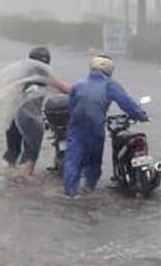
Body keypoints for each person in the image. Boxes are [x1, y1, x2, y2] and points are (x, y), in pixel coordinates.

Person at [63, 54, 147, 197]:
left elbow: (71, 108)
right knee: (94, 160)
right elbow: (126, 103)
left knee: (72, 159)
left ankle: (70, 194)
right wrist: (141, 115)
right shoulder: (110, 85)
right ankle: (89, 190)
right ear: (109, 70)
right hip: (95, 127)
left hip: (76, 126)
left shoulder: (78, 85)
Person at [4, 46, 71, 176]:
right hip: (29, 118)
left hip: (12, 117)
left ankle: (10, 184)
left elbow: (13, 92)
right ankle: (26, 187)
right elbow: (66, 89)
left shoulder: (22, 76)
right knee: (30, 157)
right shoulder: (44, 76)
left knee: (12, 154)